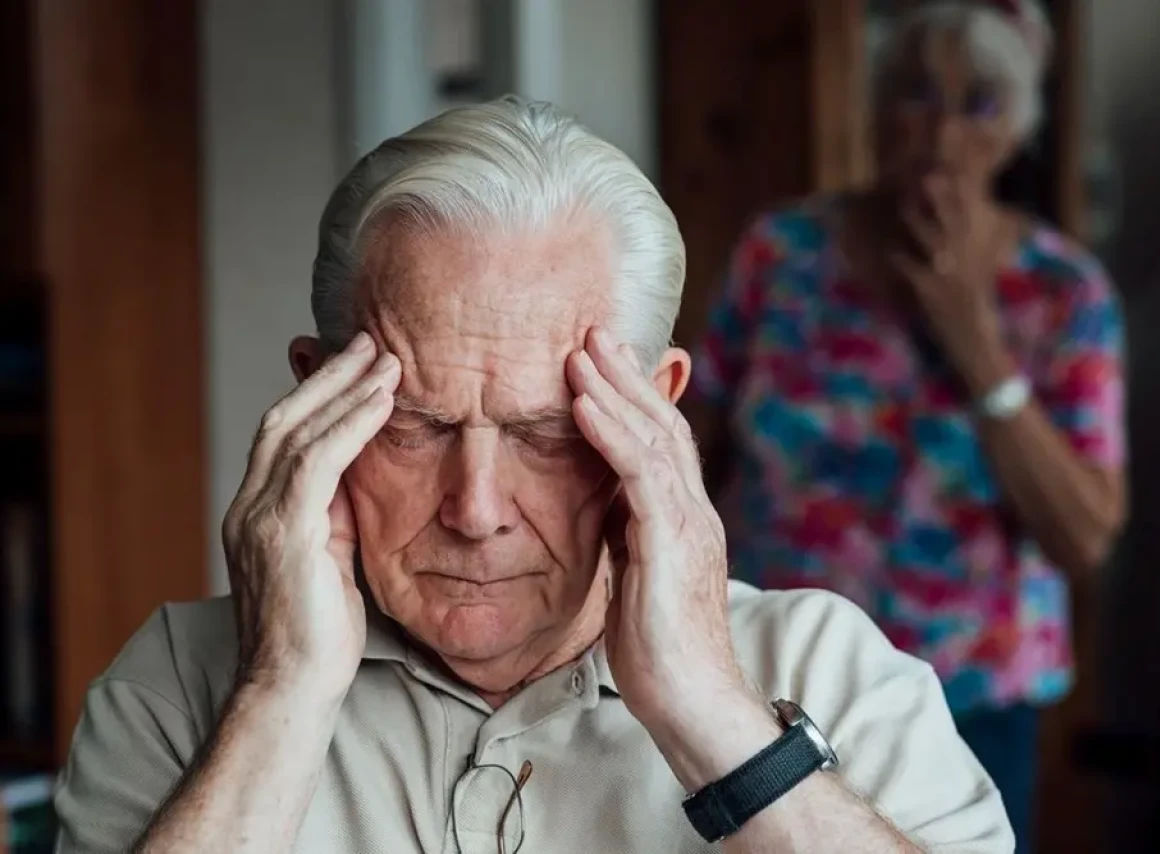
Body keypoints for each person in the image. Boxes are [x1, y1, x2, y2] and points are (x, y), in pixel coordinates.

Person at [52, 97, 1012, 853]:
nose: (475, 512)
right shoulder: (179, 684)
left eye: (547, 435)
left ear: (657, 411)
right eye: (417, 426)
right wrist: (280, 694)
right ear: (315, 402)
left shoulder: (833, 671)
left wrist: (711, 712)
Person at [684, 2, 1126, 852]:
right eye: (917, 94)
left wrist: (976, 342)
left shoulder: (1063, 293)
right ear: (876, 110)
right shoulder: (781, 253)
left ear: (1020, 133)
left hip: (974, 696)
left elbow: (1086, 537)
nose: (942, 129)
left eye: (981, 103)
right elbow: (694, 444)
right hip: (771, 674)